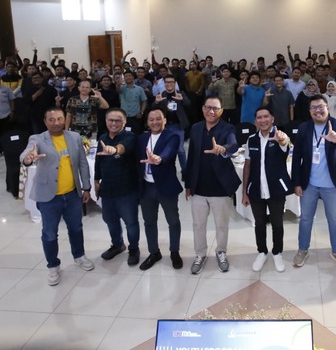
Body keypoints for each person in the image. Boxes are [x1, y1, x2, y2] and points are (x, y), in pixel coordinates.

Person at [20, 107, 95, 286]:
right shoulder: (37, 139)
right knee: (49, 234)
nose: (56, 123)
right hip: (49, 197)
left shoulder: (74, 137)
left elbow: (82, 163)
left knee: (76, 228)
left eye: (59, 119)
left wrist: (86, 188)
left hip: (72, 194)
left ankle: (79, 255)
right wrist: (28, 158)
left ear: (65, 120)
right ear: (45, 122)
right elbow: (25, 155)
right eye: (52, 120)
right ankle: (53, 266)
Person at [291, 94, 336, 270]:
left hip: (332, 185)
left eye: (321, 107)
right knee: (305, 219)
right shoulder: (304, 128)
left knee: (334, 220)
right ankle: (303, 250)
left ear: (327, 107)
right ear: (310, 111)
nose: (318, 110)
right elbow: (297, 156)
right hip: (309, 184)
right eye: (314, 108)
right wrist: (296, 183)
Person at [184, 97, 241, 274]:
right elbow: (191, 157)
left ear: (221, 110)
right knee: (198, 224)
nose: (211, 111)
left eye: (215, 108)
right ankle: (200, 254)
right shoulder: (195, 128)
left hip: (220, 186)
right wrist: (188, 184)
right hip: (199, 186)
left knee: (221, 225)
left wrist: (223, 149)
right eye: (208, 107)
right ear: (203, 109)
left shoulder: (228, 128)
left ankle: (221, 252)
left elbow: (233, 144)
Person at [241, 106, 292, 273]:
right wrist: (244, 192)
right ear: (255, 121)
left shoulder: (280, 136)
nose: (262, 120)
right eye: (259, 117)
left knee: (277, 223)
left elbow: (285, 145)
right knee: (259, 223)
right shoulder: (251, 140)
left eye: (266, 117)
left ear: (272, 119)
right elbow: (247, 165)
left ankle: (277, 252)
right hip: (256, 189)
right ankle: (262, 252)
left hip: (276, 189)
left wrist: (281, 140)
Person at [137, 107, 184, 270]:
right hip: (146, 187)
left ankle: (174, 252)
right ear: (147, 122)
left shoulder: (172, 136)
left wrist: (159, 159)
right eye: (151, 119)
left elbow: (169, 152)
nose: (155, 122)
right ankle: (154, 252)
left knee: (173, 221)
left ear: (165, 120)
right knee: (149, 222)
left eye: (158, 118)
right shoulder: (142, 138)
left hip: (166, 186)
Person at [94, 108, 141, 266]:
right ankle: (117, 245)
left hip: (126, 189)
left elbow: (123, 147)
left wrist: (114, 150)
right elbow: (98, 161)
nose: (114, 123)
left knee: (131, 222)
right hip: (107, 189)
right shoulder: (103, 138)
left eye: (118, 120)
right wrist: (96, 179)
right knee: (110, 219)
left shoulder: (130, 137)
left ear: (124, 122)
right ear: (106, 121)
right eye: (111, 120)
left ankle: (133, 249)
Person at [153, 74, 190, 180]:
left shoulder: (180, 93)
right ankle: (168, 171)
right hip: (164, 127)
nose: (169, 84)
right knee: (165, 150)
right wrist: (156, 102)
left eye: (171, 82)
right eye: (167, 82)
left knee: (180, 150)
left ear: (175, 83)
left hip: (178, 126)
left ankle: (185, 172)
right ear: (164, 84)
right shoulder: (161, 94)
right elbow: (152, 108)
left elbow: (189, 104)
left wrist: (182, 100)